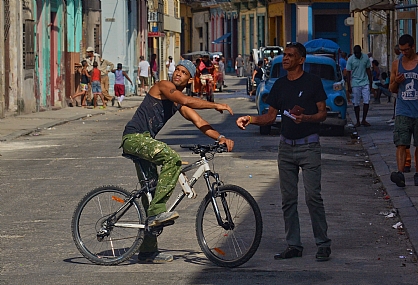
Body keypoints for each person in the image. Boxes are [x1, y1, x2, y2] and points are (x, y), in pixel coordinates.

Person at [121, 59, 234, 263]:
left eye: (183, 72)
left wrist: (220, 138)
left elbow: (199, 122)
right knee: (172, 159)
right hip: (134, 138)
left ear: (190, 79)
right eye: (177, 70)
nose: (178, 74)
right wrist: (216, 104)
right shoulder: (163, 86)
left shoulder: (178, 102)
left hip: (145, 141)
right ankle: (157, 213)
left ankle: (148, 252)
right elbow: (188, 101)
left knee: (152, 194)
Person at [236, 42, 332, 262]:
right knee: (288, 199)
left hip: (309, 146)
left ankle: (323, 244)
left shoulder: (313, 82)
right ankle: (294, 245)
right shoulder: (279, 85)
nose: (286, 58)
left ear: (301, 59)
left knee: (313, 197)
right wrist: (249, 119)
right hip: (286, 147)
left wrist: (305, 118)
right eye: (285, 55)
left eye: (290, 55)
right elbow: (270, 117)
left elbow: (322, 113)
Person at [389, 34, 418, 187]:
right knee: (401, 143)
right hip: (403, 110)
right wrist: (396, 82)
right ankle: (400, 173)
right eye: (401, 50)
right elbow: (392, 88)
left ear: (413, 47)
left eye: (406, 50)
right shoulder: (396, 64)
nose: (404, 53)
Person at [346, 45, 373, 127]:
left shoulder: (365, 58)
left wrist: (370, 82)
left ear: (361, 51)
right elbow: (348, 73)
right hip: (355, 83)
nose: (357, 55)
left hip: (365, 82)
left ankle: (364, 119)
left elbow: (368, 70)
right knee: (356, 103)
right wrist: (349, 85)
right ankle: (357, 120)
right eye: (355, 53)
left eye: (358, 53)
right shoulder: (350, 59)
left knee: (366, 101)